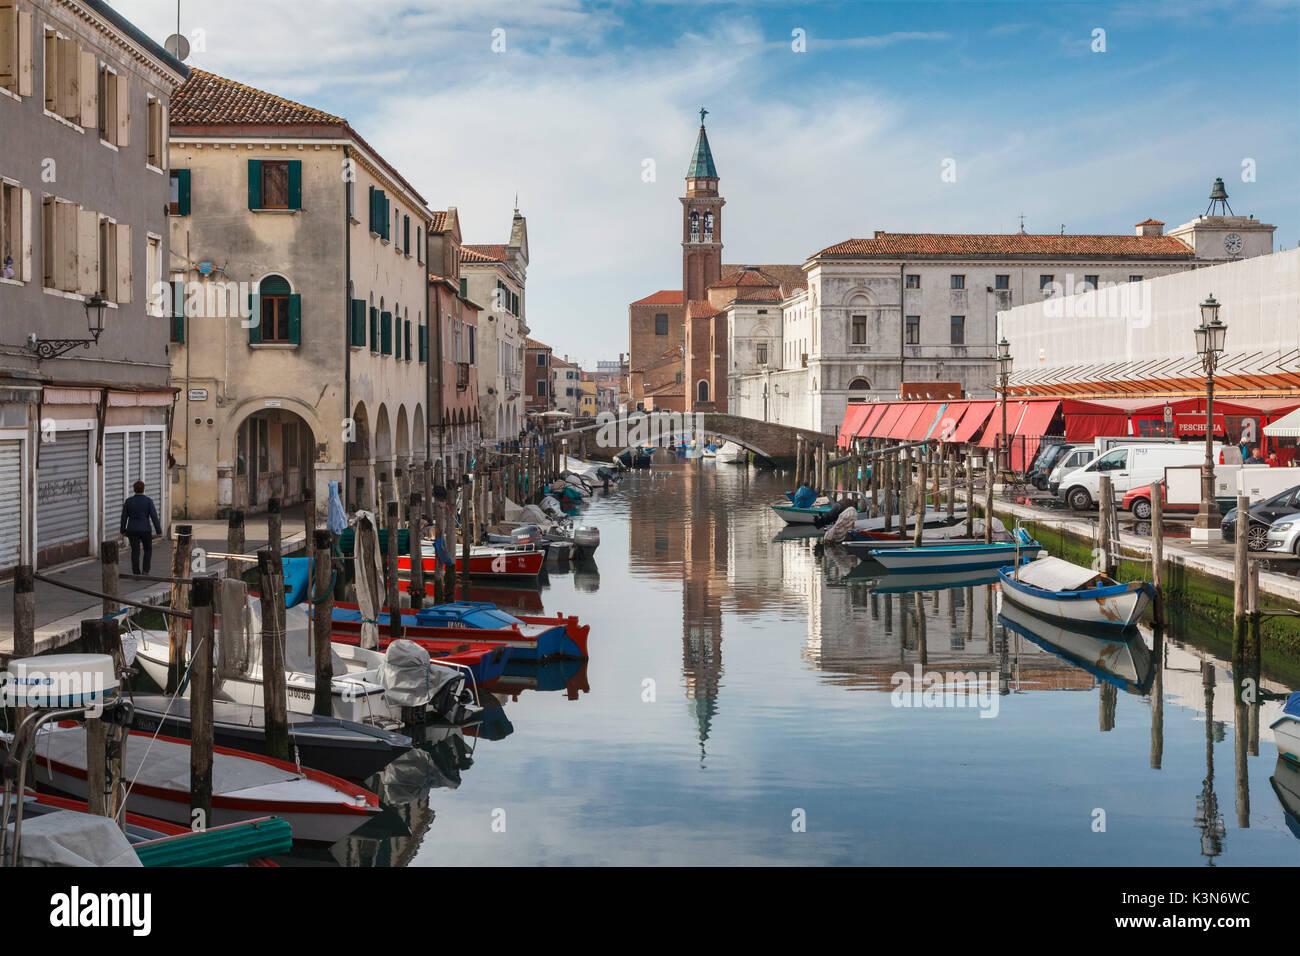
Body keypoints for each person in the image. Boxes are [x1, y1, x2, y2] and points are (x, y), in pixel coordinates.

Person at [120, 480, 162, 574]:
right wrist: (159, 531)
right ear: (143, 489)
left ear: (134, 490)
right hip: (145, 530)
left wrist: (122, 530)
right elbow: (154, 517)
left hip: (132, 530)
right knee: (147, 549)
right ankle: (145, 571)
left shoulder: (128, 501)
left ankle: (136, 572)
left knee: (135, 551)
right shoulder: (148, 501)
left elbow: (124, 517)